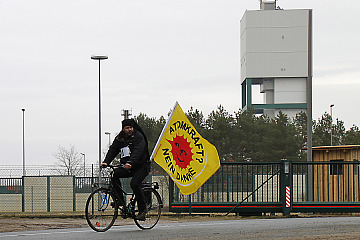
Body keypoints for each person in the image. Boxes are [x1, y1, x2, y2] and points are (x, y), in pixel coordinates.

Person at [101, 119, 150, 220]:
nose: (130, 130)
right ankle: (119, 200)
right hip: (129, 166)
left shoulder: (138, 136)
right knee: (115, 174)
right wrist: (106, 162)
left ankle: (142, 209)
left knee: (134, 184)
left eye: (131, 128)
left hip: (142, 166)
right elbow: (113, 149)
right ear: (123, 129)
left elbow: (138, 151)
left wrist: (130, 162)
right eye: (127, 128)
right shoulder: (120, 138)